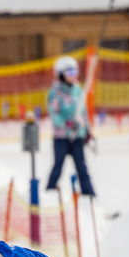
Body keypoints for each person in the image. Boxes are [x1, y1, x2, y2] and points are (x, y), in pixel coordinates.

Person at [44, 55, 95, 197]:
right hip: (61, 138)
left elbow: (83, 114)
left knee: (82, 168)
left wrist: (87, 131)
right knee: (58, 166)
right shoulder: (55, 93)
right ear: (60, 74)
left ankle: (90, 196)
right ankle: (49, 193)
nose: (73, 76)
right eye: (70, 73)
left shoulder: (78, 91)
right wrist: (67, 124)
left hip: (77, 137)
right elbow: (54, 115)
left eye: (75, 73)